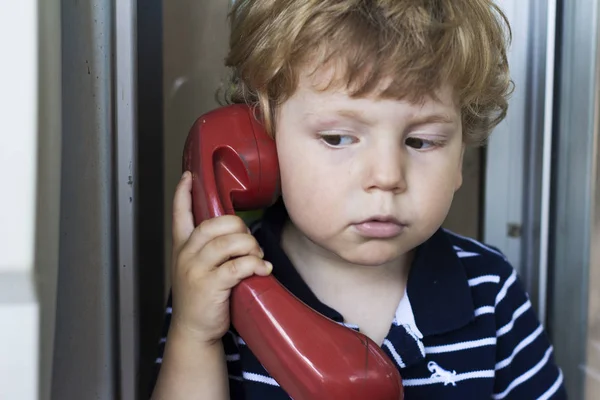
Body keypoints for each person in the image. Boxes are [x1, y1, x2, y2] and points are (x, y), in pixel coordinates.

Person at [150, 0, 567, 398]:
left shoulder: (490, 290)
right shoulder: (220, 286)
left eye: (421, 141)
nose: (386, 177)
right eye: (338, 138)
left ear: (461, 153)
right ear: (263, 140)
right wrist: (195, 334)